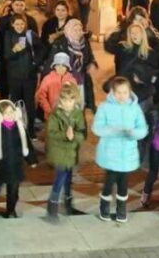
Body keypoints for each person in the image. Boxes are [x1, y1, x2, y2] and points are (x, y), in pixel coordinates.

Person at [92, 76, 147, 224]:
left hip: (127, 153)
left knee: (123, 182)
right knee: (109, 181)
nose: (122, 96)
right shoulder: (104, 107)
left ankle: (121, 209)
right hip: (110, 153)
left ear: (129, 92)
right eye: (118, 93)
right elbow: (97, 127)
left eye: (125, 92)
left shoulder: (135, 108)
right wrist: (114, 131)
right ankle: (104, 207)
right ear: (112, 92)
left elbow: (143, 128)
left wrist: (133, 133)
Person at [0, 100, 30, 219]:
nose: (10, 115)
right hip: (0, 166)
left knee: (13, 190)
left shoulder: (20, 128)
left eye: (12, 112)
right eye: (6, 113)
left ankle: (11, 210)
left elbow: (26, 143)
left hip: (15, 165)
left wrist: (31, 159)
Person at [45, 83, 86, 221]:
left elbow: (82, 133)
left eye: (71, 100)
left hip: (71, 152)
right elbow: (51, 133)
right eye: (65, 100)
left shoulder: (78, 114)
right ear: (60, 100)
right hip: (59, 152)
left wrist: (74, 136)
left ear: (75, 100)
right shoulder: (55, 114)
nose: (68, 103)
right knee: (60, 179)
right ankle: (52, 206)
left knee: (68, 179)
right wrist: (65, 135)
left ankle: (68, 204)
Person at [36, 52, 78, 119]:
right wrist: (49, 110)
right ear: (54, 66)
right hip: (51, 116)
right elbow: (41, 96)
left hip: (68, 116)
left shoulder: (72, 80)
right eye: (58, 65)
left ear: (67, 67)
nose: (60, 68)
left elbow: (76, 97)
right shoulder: (47, 79)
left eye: (63, 65)